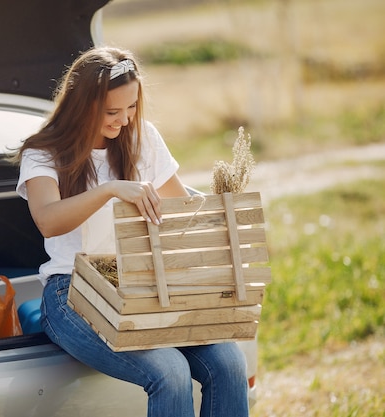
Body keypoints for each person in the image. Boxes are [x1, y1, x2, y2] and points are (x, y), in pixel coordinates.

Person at [13, 46, 249, 417]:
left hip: (147, 283)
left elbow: (181, 208)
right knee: (169, 371)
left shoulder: (143, 139)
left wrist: (224, 210)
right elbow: (48, 219)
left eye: (132, 107)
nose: (124, 120)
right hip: (72, 291)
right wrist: (110, 189)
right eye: (112, 111)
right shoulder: (43, 152)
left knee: (229, 362)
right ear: (82, 105)